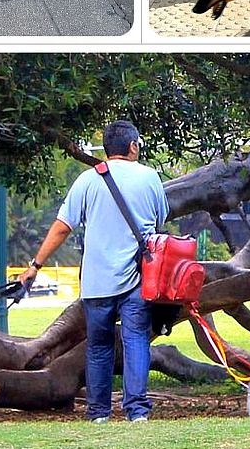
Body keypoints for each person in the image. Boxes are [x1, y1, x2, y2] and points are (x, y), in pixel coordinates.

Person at [18, 120, 169, 424]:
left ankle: (98, 413)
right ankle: (137, 411)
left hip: (97, 283)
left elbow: (62, 227)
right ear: (133, 146)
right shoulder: (150, 178)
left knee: (98, 346)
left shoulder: (87, 180)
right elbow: (159, 221)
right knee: (136, 340)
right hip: (138, 280)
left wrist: (35, 265)